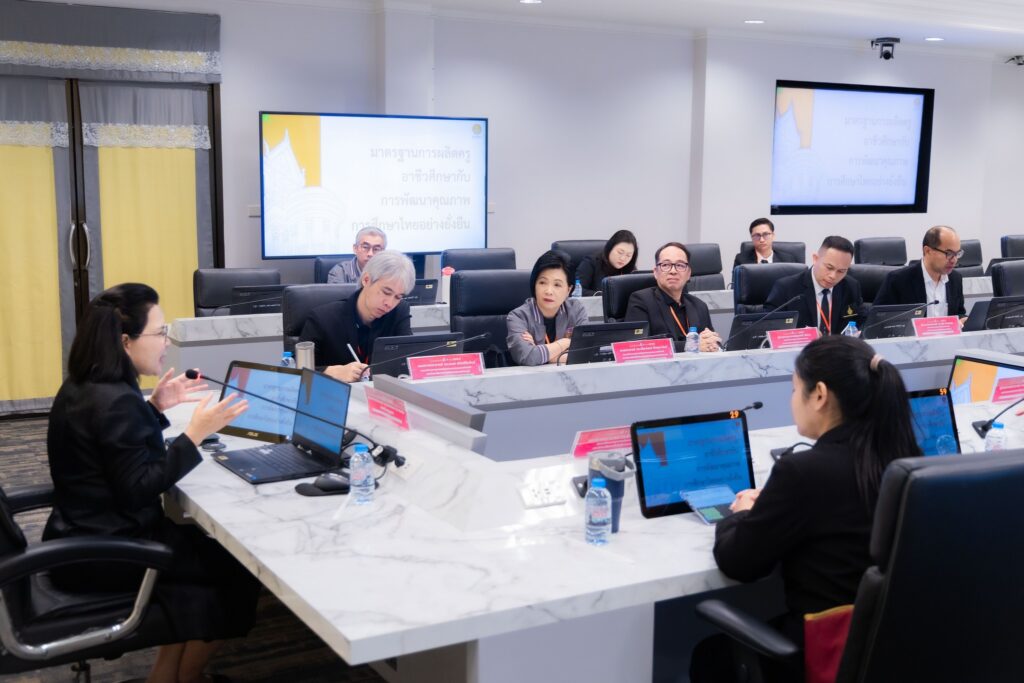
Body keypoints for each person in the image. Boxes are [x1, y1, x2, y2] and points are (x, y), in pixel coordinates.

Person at [44, 283, 259, 683]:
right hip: (108, 550)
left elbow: (113, 451)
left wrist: (156, 407)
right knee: (238, 569)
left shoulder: (85, 386)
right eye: (160, 333)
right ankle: (186, 678)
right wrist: (194, 434)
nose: (167, 342)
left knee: (208, 552)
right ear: (125, 341)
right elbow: (139, 488)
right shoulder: (115, 399)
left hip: (80, 534)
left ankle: (166, 675)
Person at [692, 336, 922, 682]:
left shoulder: (803, 472)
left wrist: (742, 513)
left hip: (828, 652)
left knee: (709, 657)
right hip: (894, 648)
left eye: (795, 389)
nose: (792, 400)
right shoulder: (908, 461)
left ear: (819, 395)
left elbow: (738, 562)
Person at [301, 250, 414, 381]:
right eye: (386, 292)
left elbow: (409, 358)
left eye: (398, 297)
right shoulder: (323, 318)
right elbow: (296, 371)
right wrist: (330, 372)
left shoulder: (399, 311)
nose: (389, 303)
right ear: (366, 280)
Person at [625, 242, 721, 352]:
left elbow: (712, 342)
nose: (673, 271)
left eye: (680, 265)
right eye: (666, 265)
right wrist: (692, 346)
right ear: (655, 272)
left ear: (688, 273)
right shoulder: (641, 301)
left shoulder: (699, 306)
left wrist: (714, 344)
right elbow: (637, 346)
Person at [764, 236, 863, 335]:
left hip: (839, 344)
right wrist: (802, 335)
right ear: (815, 259)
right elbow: (768, 326)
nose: (833, 276)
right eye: (829, 268)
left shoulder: (851, 287)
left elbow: (862, 322)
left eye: (841, 271)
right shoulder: (786, 288)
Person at [506, 250, 589, 365]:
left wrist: (540, 353)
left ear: (568, 290)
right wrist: (565, 343)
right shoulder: (518, 317)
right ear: (534, 284)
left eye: (557, 285)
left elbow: (586, 352)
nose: (549, 291)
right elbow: (528, 357)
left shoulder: (576, 310)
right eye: (542, 282)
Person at [873, 225, 967, 320]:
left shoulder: (955, 279)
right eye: (949, 253)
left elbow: (959, 313)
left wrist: (964, 320)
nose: (954, 260)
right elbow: (877, 320)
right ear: (928, 251)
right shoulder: (898, 280)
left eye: (957, 254)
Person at [575, 229, 639, 295]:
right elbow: (578, 291)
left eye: (628, 255)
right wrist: (605, 296)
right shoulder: (590, 262)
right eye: (620, 252)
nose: (623, 258)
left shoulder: (631, 268)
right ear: (610, 248)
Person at [733, 218, 800, 267]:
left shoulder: (787, 260)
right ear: (751, 238)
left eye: (765, 234)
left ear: (773, 236)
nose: (762, 240)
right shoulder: (741, 260)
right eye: (757, 235)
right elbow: (737, 282)